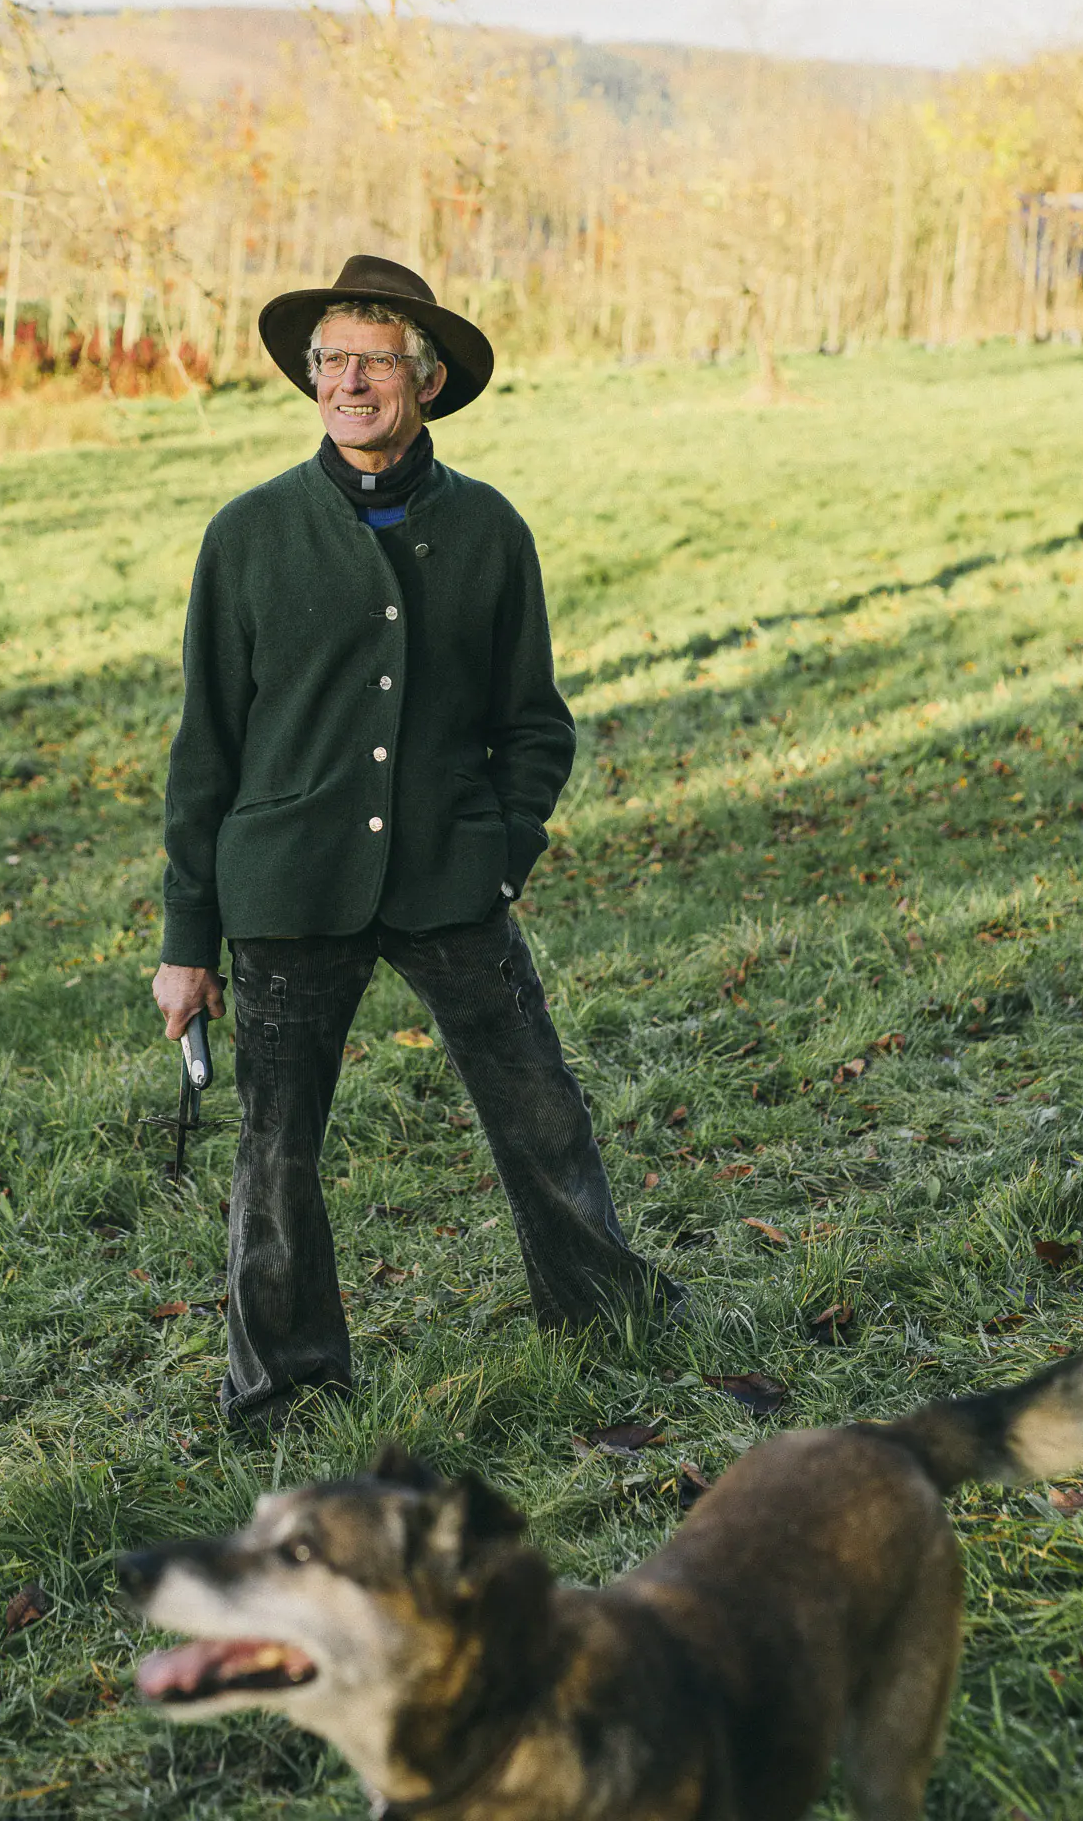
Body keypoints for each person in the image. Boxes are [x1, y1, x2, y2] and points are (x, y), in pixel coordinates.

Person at [152, 254, 680, 1433]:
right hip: (288, 887)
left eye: (373, 361)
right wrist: (188, 938)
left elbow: (532, 723)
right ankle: (286, 1384)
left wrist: (502, 848)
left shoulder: (489, 529)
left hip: (450, 874)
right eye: (329, 359)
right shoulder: (247, 535)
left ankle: (604, 1310)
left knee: (540, 1107)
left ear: (425, 382)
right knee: (276, 1153)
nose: (347, 381)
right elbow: (205, 748)